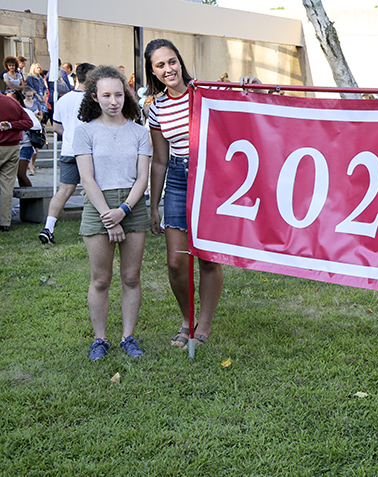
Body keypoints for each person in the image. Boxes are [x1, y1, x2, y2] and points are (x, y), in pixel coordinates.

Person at [144, 38, 261, 348]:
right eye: (160, 65)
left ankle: (204, 324)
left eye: (172, 61)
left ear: (180, 62)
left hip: (211, 179)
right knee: (176, 262)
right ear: (153, 72)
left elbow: (250, 102)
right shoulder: (156, 109)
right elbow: (159, 160)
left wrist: (255, 84)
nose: (168, 69)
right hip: (179, 180)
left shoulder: (207, 92)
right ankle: (187, 320)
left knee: (208, 258)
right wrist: (154, 206)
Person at [74, 65, 151, 360]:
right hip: (99, 207)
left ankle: (128, 337)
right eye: (106, 95)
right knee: (101, 279)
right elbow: (87, 178)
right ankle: (100, 339)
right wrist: (109, 215)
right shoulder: (85, 132)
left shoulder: (138, 132)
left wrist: (124, 210)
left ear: (126, 95)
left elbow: (142, 177)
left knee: (131, 276)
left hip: (132, 206)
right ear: (95, 96)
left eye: (118, 94)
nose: (113, 101)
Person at [38, 63, 96, 245]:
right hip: (89, 152)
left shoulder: (63, 99)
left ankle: (48, 227)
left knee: (63, 191)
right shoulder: (94, 99)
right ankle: (94, 227)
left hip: (68, 150)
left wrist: (70, 134)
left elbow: (56, 127)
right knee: (94, 189)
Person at [0, 88, 33, 231]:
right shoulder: (12, 102)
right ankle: (5, 222)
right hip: (11, 147)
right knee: (7, 186)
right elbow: (28, 123)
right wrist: (12, 125)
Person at [18, 86, 43, 187]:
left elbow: (36, 124)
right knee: (18, 174)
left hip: (26, 144)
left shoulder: (26, 111)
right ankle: (24, 199)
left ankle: (30, 199)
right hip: (16, 144)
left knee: (20, 173)